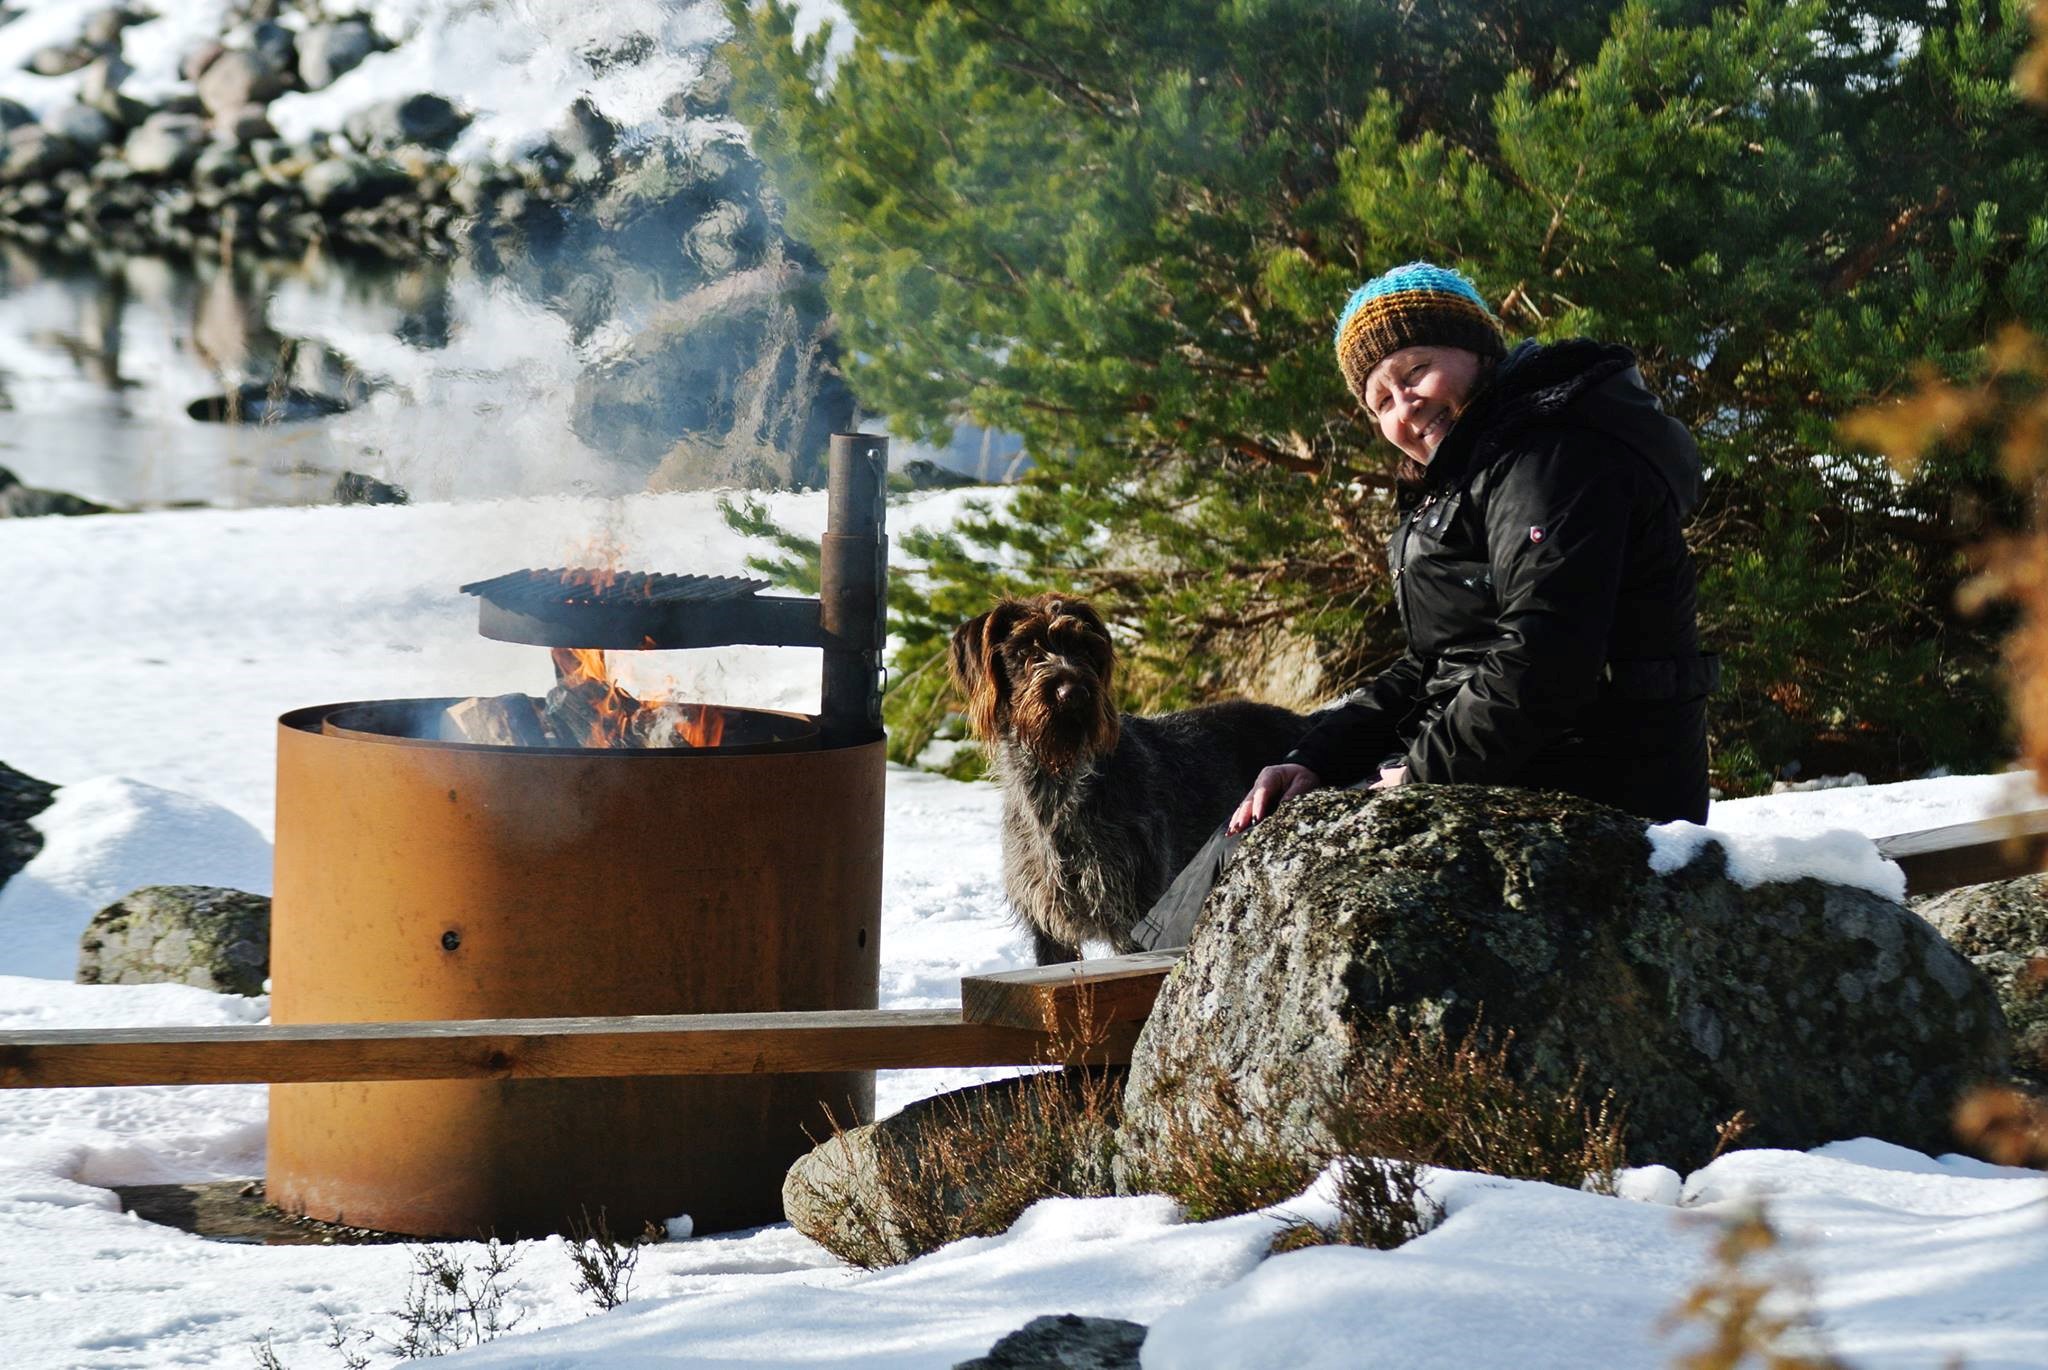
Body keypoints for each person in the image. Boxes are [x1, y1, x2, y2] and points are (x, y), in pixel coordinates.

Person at [1228, 261, 1716, 834]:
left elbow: (1547, 656)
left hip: (1603, 784)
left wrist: (1419, 775)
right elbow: (1431, 663)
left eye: (1415, 370)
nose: (1404, 404)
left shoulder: (1550, 457)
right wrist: (1312, 758)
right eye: (1381, 401)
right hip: (1508, 764)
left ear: (1476, 350)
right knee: (1243, 840)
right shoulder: (1467, 478)